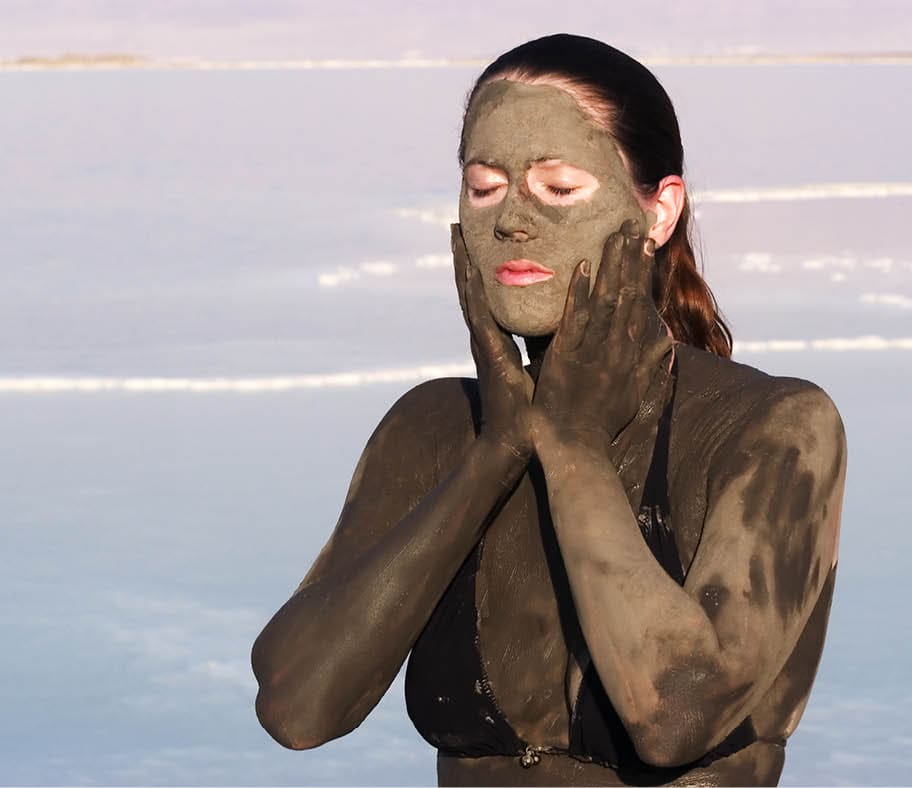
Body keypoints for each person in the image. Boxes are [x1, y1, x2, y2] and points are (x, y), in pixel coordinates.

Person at [251, 34, 846, 787]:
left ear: (660, 210)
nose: (513, 222)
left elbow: (675, 715)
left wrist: (571, 447)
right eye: (485, 187)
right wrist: (493, 454)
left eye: (559, 189)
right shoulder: (434, 426)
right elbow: (298, 709)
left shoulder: (772, 427)